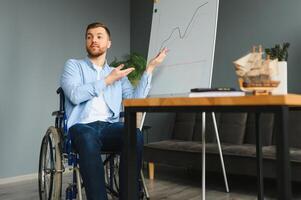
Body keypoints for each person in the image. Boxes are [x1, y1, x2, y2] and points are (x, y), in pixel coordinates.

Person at [60, 22, 168, 200]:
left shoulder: (117, 73)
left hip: (108, 126)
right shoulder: (73, 66)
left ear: (109, 43)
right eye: (89, 36)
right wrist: (107, 80)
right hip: (81, 126)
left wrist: (150, 69)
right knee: (88, 138)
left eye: (99, 36)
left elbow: (134, 101)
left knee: (135, 135)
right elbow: (74, 95)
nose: (93, 40)